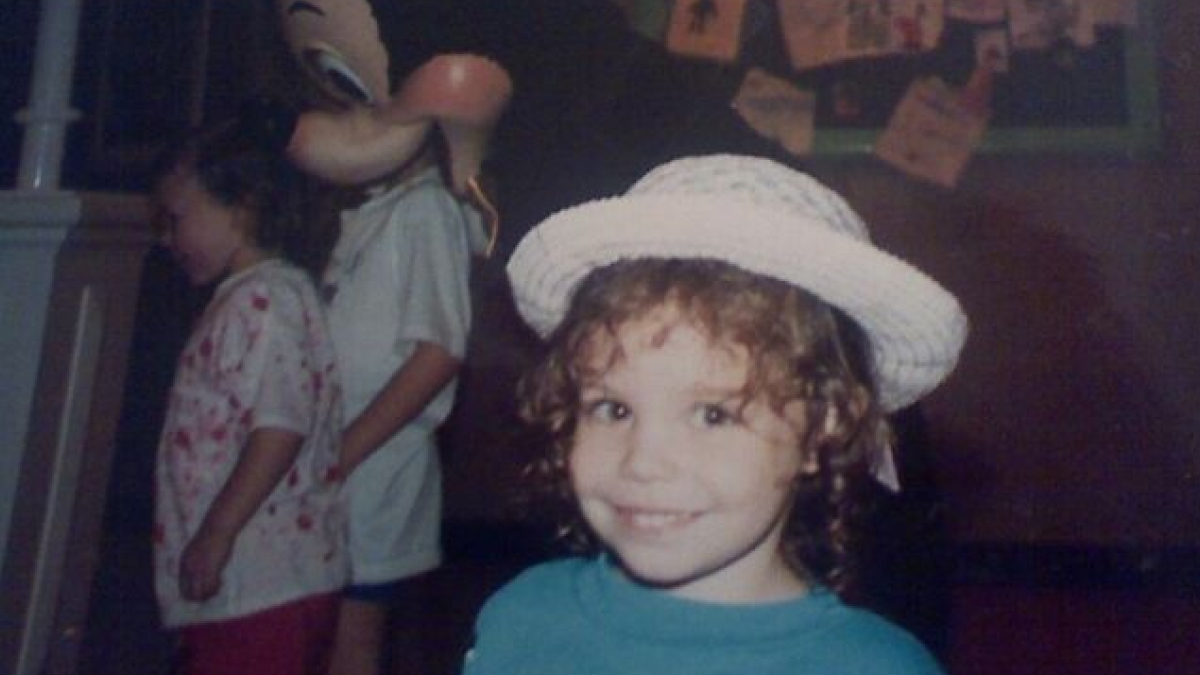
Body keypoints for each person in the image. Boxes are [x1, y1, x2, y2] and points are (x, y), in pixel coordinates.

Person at [464, 154, 969, 674]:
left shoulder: (872, 668)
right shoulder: (521, 618)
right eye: (613, 409)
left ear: (826, 423)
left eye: (712, 415)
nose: (643, 462)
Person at [152, 119, 347, 675]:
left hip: (260, 583)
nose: (165, 238)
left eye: (176, 219)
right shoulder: (262, 297)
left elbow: (280, 429)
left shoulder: (262, 303)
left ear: (241, 207)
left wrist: (216, 534)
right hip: (257, 583)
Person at [320, 133, 487, 675]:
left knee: (351, 640)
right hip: (340, 472)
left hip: (373, 471)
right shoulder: (378, 211)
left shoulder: (425, 210)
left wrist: (340, 455)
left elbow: (438, 354)